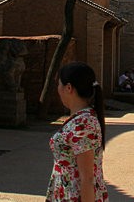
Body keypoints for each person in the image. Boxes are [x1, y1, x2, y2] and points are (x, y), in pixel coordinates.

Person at [46, 62, 108, 202]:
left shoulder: (83, 124)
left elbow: (87, 178)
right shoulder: (80, 119)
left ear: (68, 88)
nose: (58, 89)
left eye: (59, 84)